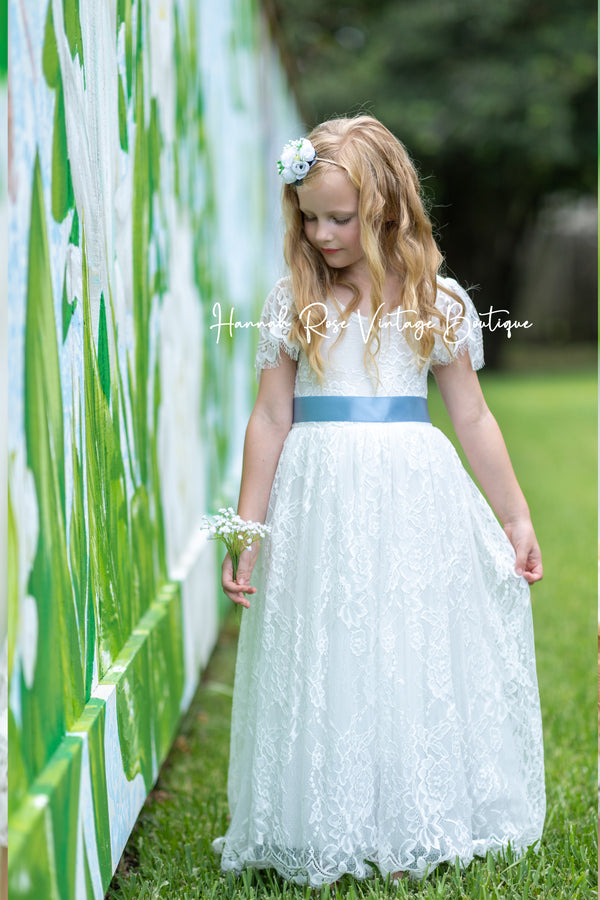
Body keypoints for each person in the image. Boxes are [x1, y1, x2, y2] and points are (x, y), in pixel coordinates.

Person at [213, 115, 545, 888]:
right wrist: (247, 523)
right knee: (325, 641)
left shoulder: (438, 300)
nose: (322, 233)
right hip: (319, 495)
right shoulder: (294, 298)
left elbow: (472, 415)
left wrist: (516, 516)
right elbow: (269, 418)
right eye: (309, 217)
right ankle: (324, 810)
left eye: (340, 217)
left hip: (410, 490)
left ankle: (408, 807)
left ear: (388, 207)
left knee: (404, 639)